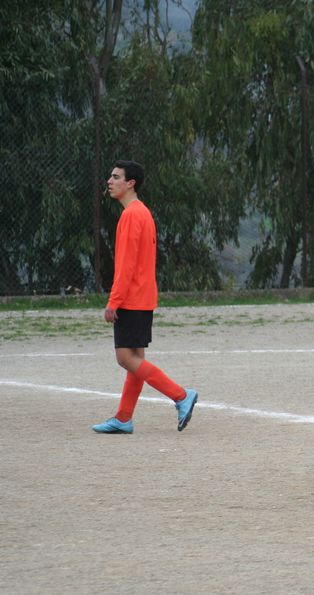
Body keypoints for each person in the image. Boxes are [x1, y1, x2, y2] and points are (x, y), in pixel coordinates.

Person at [91, 160, 197, 434]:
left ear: (130, 183)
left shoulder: (131, 215)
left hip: (132, 299)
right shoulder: (143, 212)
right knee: (135, 359)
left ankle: (181, 395)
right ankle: (123, 418)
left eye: (116, 177)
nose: (109, 181)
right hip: (143, 297)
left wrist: (114, 302)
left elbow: (126, 265)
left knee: (125, 358)